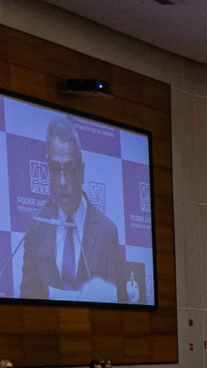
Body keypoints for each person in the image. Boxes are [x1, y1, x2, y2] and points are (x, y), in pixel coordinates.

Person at [18, 117, 132, 301]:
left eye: (69, 168)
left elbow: (118, 301)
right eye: (55, 168)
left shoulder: (106, 231)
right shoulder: (37, 226)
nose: (62, 182)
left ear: (81, 172)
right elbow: (28, 295)